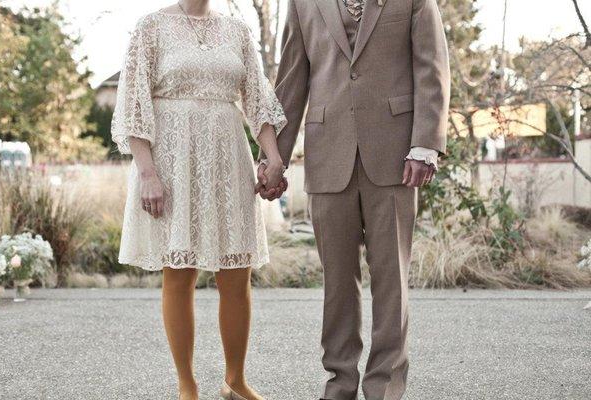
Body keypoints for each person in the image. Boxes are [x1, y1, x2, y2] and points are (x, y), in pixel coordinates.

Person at [255, 0, 450, 398]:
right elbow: (291, 80)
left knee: (391, 280)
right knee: (337, 284)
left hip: (396, 157)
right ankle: (339, 384)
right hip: (328, 155)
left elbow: (431, 66)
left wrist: (425, 144)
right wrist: (274, 158)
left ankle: (385, 387)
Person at [110, 1, 287, 399]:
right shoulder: (150, 27)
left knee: (237, 274)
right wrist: (148, 172)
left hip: (228, 157)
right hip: (172, 162)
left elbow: (258, 100)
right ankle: (187, 384)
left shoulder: (238, 30)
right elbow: (134, 105)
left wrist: (273, 156)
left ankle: (235, 381)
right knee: (180, 273)